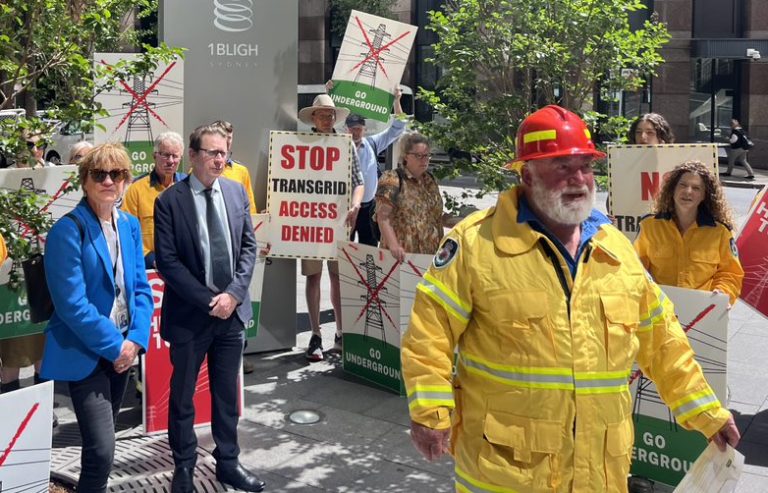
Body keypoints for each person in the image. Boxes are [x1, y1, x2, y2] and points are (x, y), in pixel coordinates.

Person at [401, 105, 740, 492]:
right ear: (526, 173)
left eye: (585, 166)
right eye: (561, 166)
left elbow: (664, 343)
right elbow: (430, 332)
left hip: (598, 472)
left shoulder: (617, 249)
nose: (578, 179)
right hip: (507, 473)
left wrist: (708, 414)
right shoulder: (475, 243)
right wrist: (429, 412)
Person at [154, 124, 262, 493]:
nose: (220, 159)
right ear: (194, 155)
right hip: (190, 317)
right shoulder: (170, 201)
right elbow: (168, 263)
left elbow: (249, 249)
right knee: (183, 396)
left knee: (226, 396)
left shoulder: (235, 193)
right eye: (213, 153)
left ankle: (227, 462)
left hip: (231, 315)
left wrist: (232, 295)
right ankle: (183, 465)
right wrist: (207, 300)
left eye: (223, 153)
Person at [39, 143, 152, 493]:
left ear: (125, 181)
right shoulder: (68, 230)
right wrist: (117, 346)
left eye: (116, 174)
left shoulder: (130, 226)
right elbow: (72, 303)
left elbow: (140, 287)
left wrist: (136, 340)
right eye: (99, 174)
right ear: (84, 180)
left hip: (123, 351)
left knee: (101, 446)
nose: (108, 181)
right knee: (102, 449)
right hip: (89, 353)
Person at [297, 94, 365, 361]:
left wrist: (356, 205)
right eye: (322, 114)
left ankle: (340, 332)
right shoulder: (300, 143)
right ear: (313, 117)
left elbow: (358, 181)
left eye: (330, 114)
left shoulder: (345, 144)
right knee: (313, 276)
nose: (327, 118)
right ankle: (315, 335)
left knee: (338, 277)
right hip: (311, 221)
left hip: (337, 221)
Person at [635, 160, 744, 306]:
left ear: (704, 195)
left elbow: (730, 273)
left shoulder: (720, 233)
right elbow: (636, 267)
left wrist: (722, 293)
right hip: (659, 312)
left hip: (702, 314)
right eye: (683, 185)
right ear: (672, 189)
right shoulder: (649, 227)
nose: (688, 191)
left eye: (696, 188)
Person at [327, 81, 407, 246]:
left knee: (369, 251)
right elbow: (327, 124)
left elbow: (398, 128)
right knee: (341, 249)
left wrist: (396, 101)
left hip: (369, 207)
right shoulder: (337, 144)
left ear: (364, 129)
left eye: (358, 128)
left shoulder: (373, 143)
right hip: (343, 207)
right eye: (352, 128)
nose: (356, 132)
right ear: (346, 129)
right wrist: (329, 94)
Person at [375, 132, 444, 263]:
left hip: (429, 257)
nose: (424, 160)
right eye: (418, 156)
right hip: (401, 257)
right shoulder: (392, 178)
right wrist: (393, 245)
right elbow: (382, 216)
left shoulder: (430, 180)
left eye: (426, 155)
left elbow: (435, 215)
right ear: (406, 156)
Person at [121, 132, 186, 269]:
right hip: (149, 268)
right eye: (165, 155)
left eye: (175, 156)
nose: (170, 161)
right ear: (154, 155)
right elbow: (127, 231)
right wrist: (151, 259)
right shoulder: (136, 189)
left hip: (184, 266)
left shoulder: (188, 187)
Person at [210, 120, 258, 214]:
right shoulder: (200, 170)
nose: (227, 141)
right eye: (223, 137)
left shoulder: (241, 171)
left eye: (229, 138)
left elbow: (250, 209)